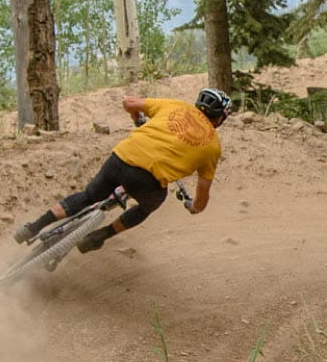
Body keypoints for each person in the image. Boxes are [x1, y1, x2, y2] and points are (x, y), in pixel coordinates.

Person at [14, 87, 231, 254]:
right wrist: (192, 207)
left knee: (89, 196)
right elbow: (202, 198)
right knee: (147, 207)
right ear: (220, 117)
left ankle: (33, 227)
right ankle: (100, 236)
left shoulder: (176, 106)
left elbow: (129, 102)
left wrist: (138, 119)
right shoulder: (212, 146)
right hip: (147, 181)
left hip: (121, 158)